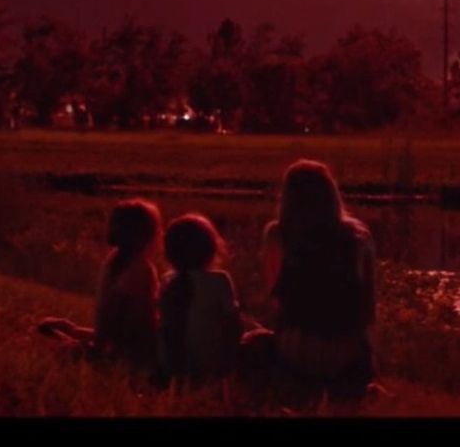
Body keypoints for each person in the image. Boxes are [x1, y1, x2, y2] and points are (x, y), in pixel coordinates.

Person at [241, 159, 379, 407]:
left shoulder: (278, 234)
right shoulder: (359, 236)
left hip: (297, 346)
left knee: (250, 341)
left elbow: (278, 302)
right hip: (348, 348)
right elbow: (368, 305)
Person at [37, 199, 162, 371]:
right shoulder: (141, 269)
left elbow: (112, 324)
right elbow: (143, 323)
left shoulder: (112, 262)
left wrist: (84, 334)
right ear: (148, 236)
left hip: (111, 339)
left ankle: (71, 332)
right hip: (131, 347)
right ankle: (75, 338)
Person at [157, 213, 244, 387]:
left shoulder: (168, 281)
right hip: (211, 366)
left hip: (169, 365)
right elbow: (233, 327)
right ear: (211, 248)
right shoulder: (219, 280)